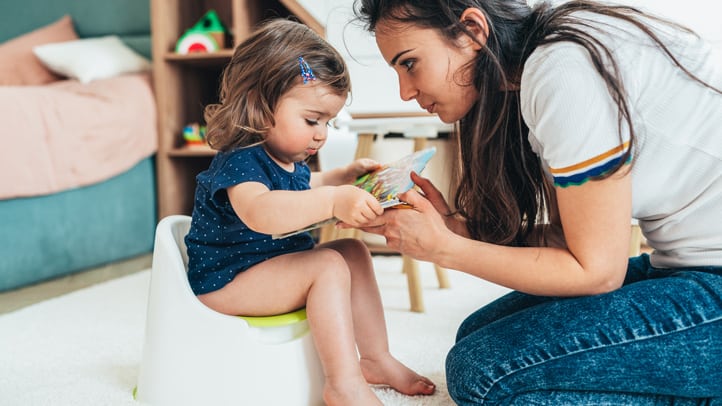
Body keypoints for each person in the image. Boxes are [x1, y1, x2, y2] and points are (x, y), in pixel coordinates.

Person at [353, 0, 722, 404]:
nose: (406, 92)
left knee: (485, 373)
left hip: (712, 277)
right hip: (687, 269)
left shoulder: (564, 70)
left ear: (472, 31)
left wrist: (445, 249)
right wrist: (461, 231)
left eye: (409, 64)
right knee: (477, 335)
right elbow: (573, 244)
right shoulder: (545, 63)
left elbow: (597, 273)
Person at [184, 19, 435, 406]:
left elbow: (301, 189)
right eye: (311, 120)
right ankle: (342, 383)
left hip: (265, 266)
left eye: (328, 122)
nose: (322, 134)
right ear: (260, 103)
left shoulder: (284, 156)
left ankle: (376, 359)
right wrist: (334, 199)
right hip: (227, 280)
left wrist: (341, 178)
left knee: (351, 252)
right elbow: (262, 212)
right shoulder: (240, 161)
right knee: (328, 267)